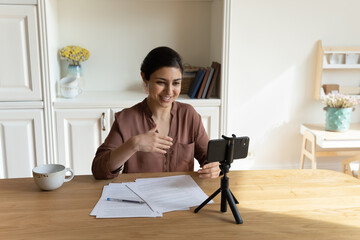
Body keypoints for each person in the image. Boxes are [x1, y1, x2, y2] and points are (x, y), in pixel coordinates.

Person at [91, 46, 220, 179]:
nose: (169, 91)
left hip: (181, 196)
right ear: (145, 79)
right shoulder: (125, 119)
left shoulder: (189, 115)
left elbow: (208, 158)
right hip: (139, 197)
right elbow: (99, 170)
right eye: (161, 82)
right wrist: (133, 144)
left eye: (176, 83)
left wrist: (214, 168)